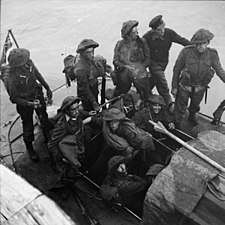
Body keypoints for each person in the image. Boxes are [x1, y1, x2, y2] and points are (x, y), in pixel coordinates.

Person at [171, 29, 225, 127]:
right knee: (180, 109)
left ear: (208, 43)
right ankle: (176, 125)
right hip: (184, 87)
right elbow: (176, 69)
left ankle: (191, 120)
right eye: (198, 44)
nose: (200, 46)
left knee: (194, 108)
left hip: (200, 88)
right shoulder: (186, 52)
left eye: (203, 43)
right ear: (195, 44)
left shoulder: (212, 54)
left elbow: (219, 70)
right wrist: (174, 87)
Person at [7, 48, 52, 161]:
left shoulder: (30, 63)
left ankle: (48, 137)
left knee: (44, 117)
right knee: (28, 126)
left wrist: (47, 87)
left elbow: (37, 74)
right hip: (25, 103)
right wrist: (30, 104)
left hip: (37, 94)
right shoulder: (12, 77)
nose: (26, 63)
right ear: (17, 66)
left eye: (26, 59)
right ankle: (30, 149)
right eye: (23, 62)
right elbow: (14, 98)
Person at [143, 15, 191, 106]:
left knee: (155, 79)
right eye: (158, 30)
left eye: (163, 29)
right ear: (153, 30)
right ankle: (169, 102)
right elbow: (140, 51)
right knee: (161, 80)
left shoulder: (169, 33)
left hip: (164, 62)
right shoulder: (147, 37)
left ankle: (144, 94)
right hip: (152, 62)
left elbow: (182, 41)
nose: (162, 32)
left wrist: (194, 47)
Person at [48, 96, 88, 172]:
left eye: (77, 108)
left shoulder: (75, 114)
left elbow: (81, 113)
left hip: (79, 141)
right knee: (72, 170)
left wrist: (88, 113)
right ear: (67, 111)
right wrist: (61, 158)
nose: (77, 111)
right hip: (70, 147)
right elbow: (51, 145)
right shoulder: (62, 126)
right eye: (73, 109)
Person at [113, 20, 151, 101]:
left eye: (137, 32)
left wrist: (140, 68)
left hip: (139, 70)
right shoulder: (120, 44)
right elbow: (116, 61)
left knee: (145, 90)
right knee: (121, 89)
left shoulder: (142, 42)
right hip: (125, 72)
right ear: (128, 34)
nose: (137, 34)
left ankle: (145, 101)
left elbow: (148, 59)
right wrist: (126, 67)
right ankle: (115, 102)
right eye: (134, 33)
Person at [75, 39, 108, 112]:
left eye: (92, 52)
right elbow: (85, 89)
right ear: (83, 54)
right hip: (86, 95)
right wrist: (94, 103)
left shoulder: (90, 60)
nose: (92, 54)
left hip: (93, 88)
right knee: (90, 110)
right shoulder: (80, 69)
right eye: (88, 53)